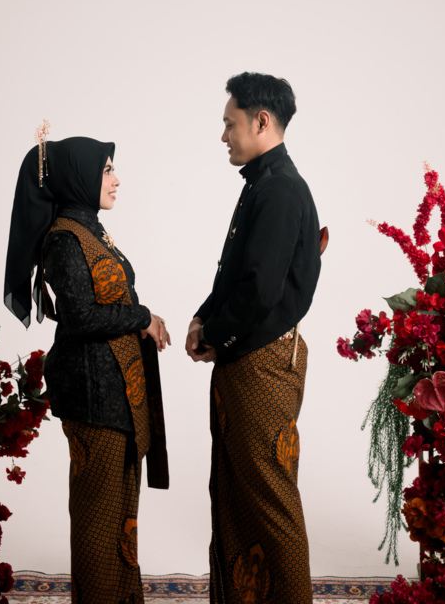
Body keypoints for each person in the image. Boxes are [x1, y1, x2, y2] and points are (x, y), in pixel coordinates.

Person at [4, 134, 170, 604]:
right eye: (107, 170)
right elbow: (79, 317)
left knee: (120, 518)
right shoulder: (64, 238)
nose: (116, 180)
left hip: (117, 392)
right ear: (78, 177)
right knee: (99, 519)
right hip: (94, 395)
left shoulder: (90, 230)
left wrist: (139, 319)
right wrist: (142, 317)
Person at [185, 73, 322, 604]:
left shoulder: (280, 189)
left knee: (269, 500)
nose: (223, 135)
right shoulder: (264, 183)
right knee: (236, 498)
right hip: (249, 356)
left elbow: (261, 290)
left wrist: (214, 335)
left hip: (263, 361)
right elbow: (239, 276)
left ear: (261, 121)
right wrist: (203, 319)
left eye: (230, 123)